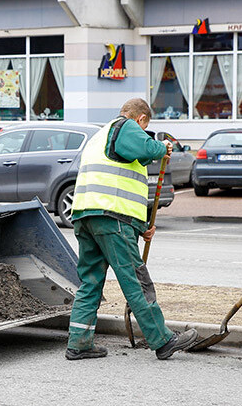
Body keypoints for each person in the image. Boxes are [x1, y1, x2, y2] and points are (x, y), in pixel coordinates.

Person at [65, 98, 197, 361]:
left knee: (90, 281)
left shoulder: (100, 135)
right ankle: (162, 340)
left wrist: (140, 228)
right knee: (136, 279)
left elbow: (115, 178)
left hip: (86, 215)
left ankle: (78, 343)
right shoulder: (126, 126)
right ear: (142, 119)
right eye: (145, 125)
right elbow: (146, 147)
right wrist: (163, 146)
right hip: (111, 218)